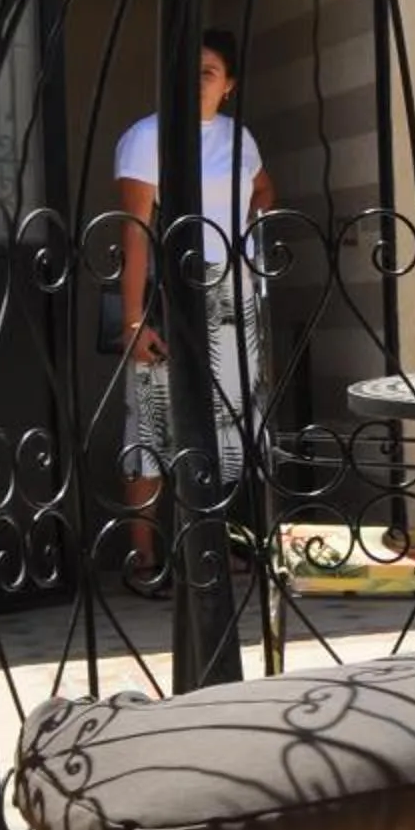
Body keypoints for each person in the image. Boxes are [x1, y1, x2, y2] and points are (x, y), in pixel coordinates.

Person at [113, 30, 273, 581]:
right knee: (155, 422)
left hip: (235, 290)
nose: (195, 80)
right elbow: (134, 230)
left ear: (228, 85)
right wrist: (133, 317)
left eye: (208, 71)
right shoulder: (147, 137)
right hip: (174, 287)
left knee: (225, 422)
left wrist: (246, 232)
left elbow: (265, 191)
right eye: (187, 70)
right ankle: (143, 555)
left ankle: (204, 545)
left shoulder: (239, 138)